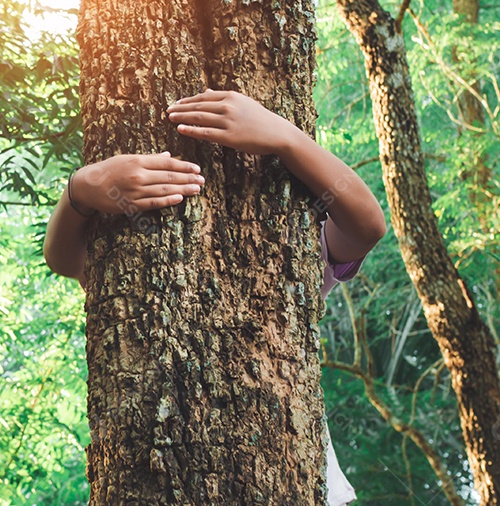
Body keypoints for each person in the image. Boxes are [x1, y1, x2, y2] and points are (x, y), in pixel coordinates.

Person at [43, 88, 386, 505]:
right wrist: (80, 188)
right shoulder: (126, 254)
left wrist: (286, 137)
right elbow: (67, 259)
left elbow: (367, 226)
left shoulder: (298, 250)